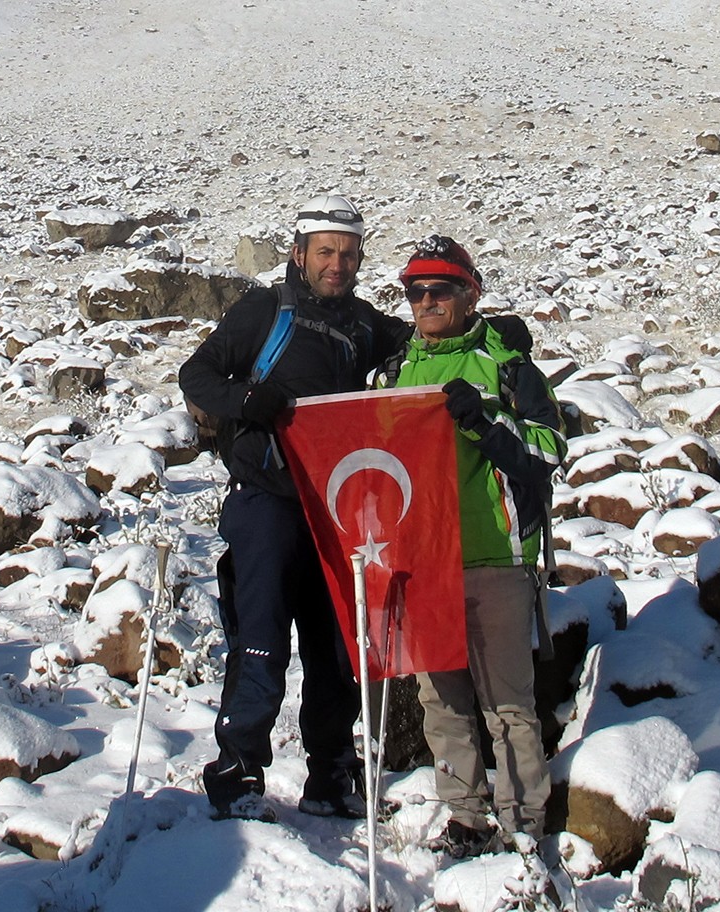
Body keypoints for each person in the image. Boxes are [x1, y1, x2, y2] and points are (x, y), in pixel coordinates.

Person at [179, 194, 411, 822]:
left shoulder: (364, 324)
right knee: (260, 638)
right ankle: (239, 771)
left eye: (349, 253)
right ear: (299, 253)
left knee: (337, 646)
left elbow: (426, 343)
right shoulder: (263, 312)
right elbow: (196, 375)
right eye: (327, 251)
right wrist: (246, 400)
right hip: (268, 501)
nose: (338, 263)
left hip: (336, 512)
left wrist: (491, 330)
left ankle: (330, 774)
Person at [380, 235, 565, 857]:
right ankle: (465, 815)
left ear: (470, 294)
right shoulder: (394, 367)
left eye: (440, 289)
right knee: (442, 700)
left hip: (495, 556)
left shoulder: (508, 365)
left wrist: (487, 421)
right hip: (422, 560)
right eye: (415, 291)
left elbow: (548, 450)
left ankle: (524, 820)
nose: (426, 301)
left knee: (508, 703)